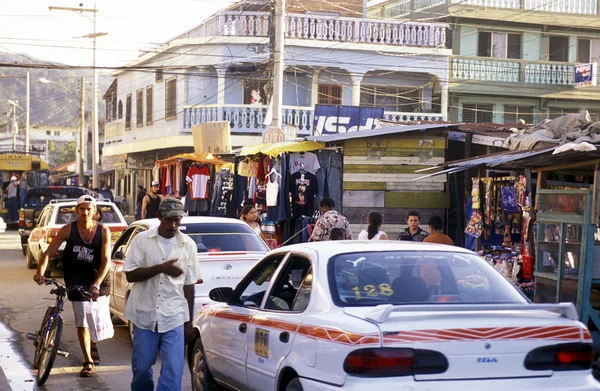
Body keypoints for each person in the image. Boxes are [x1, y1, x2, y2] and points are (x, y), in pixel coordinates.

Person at [123, 197, 198, 391]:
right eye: (169, 220)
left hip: (174, 316)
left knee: (173, 370)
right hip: (144, 316)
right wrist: (161, 268)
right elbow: (131, 274)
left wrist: (189, 322)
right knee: (141, 368)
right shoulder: (141, 240)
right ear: (158, 217)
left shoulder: (188, 245)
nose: (173, 225)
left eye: (177, 220)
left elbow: (189, 286)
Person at [34, 195, 111, 378]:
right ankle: (88, 361)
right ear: (77, 211)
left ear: (95, 212)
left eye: (89, 209)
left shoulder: (103, 231)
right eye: (82, 209)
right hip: (75, 277)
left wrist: (96, 284)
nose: (85, 212)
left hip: (98, 277)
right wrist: (40, 272)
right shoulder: (67, 230)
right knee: (81, 319)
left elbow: (106, 260)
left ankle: (92, 345)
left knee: (95, 319)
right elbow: (49, 253)